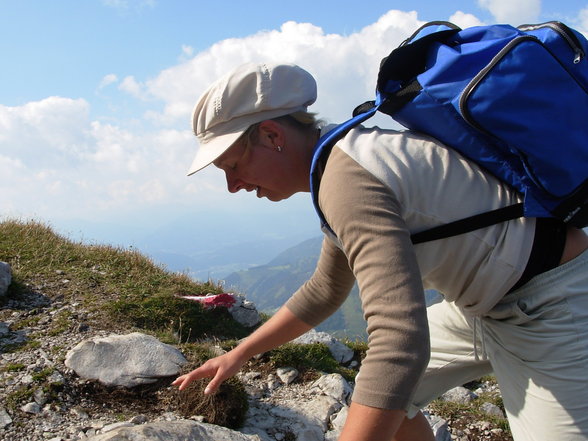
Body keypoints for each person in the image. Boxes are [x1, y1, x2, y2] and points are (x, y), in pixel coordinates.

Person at [172, 62, 588, 441]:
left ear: (271, 135)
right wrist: (240, 354)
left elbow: (399, 342)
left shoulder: (347, 180)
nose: (233, 186)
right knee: (380, 402)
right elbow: (325, 289)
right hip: (484, 303)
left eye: (231, 166)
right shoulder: (344, 158)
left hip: (552, 305)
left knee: (384, 390)